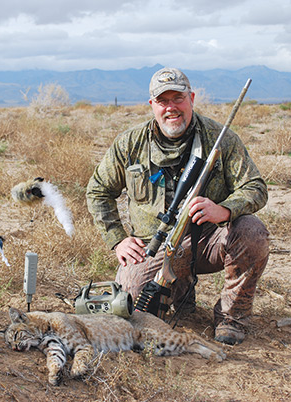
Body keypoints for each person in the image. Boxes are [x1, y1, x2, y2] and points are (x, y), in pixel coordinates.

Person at [86, 67, 270, 345]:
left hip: (209, 241)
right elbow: (98, 191)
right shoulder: (130, 143)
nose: (171, 107)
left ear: (192, 98)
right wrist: (118, 240)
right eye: (163, 101)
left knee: (252, 231)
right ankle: (180, 288)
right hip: (154, 245)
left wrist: (225, 209)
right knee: (131, 308)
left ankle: (232, 318)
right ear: (152, 105)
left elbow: (256, 187)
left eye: (178, 98)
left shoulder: (220, 139)